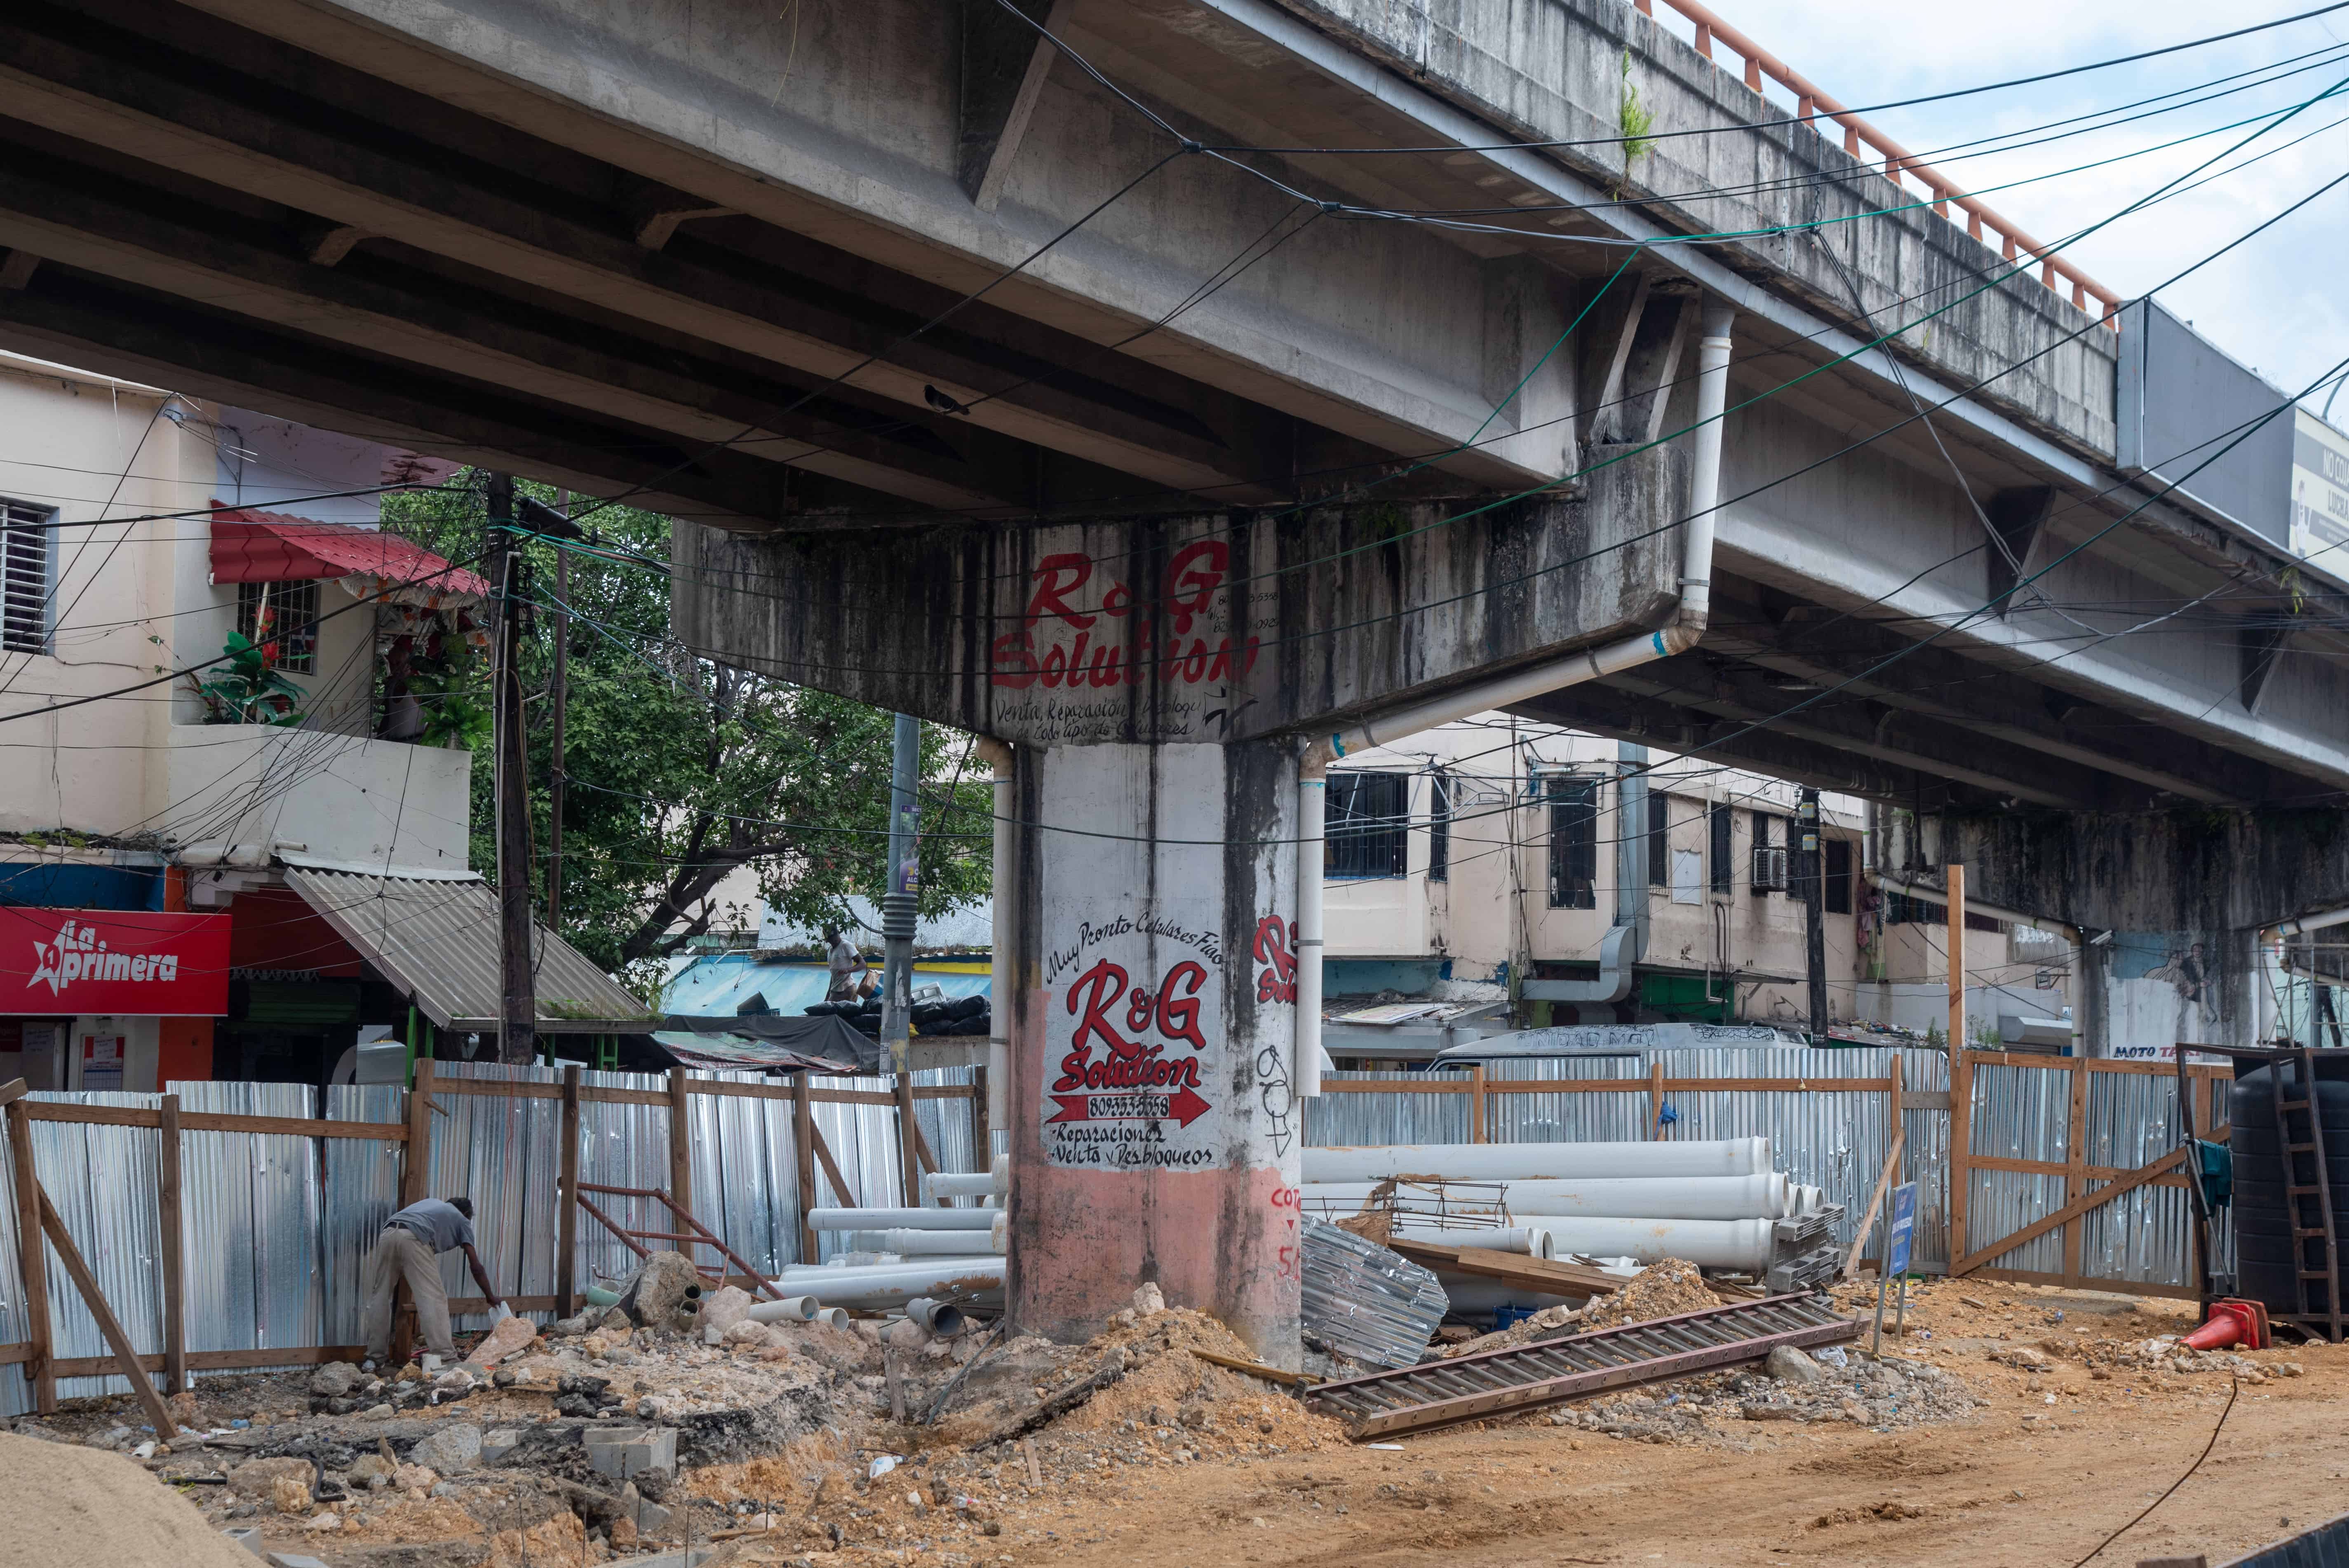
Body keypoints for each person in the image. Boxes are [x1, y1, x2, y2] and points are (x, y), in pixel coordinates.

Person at [361, 1195, 503, 1365]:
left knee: (381, 1295)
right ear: (466, 1213)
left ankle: (374, 1358)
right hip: (414, 1237)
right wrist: (490, 1296)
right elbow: (476, 1267)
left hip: (388, 1233)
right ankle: (446, 1358)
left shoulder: (431, 1204)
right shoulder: (462, 1219)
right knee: (433, 1298)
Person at [824, 925, 869, 1002]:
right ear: (827, 940)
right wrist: (828, 995)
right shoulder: (830, 950)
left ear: (838, 934)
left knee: (829, 1012)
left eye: (836, 937)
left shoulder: (846, 945)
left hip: (846, 989)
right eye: (831, 940)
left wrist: (848, 970)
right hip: (835, 990)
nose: (835, 941)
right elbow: (834, 975)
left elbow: (863, 964)